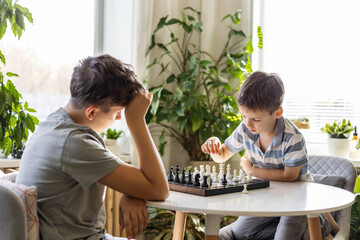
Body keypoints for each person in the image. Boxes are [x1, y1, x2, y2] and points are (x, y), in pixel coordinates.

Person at [16, 54, 169, 240]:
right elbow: (159, 190)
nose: (120, 118)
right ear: (92, 112)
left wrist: (132, 192)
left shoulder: (53, 125)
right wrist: (137, 121)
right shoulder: (74, 143)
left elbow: (139, 181)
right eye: (118, 112)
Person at [201, 71, 335, 240]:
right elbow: (222, 155)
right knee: (241, 233)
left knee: (284, 236)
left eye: (256, 119)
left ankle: (320, 223)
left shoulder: (292, 137)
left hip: (297, 201)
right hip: (266, 198)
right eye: (243, 116)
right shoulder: (245, 129)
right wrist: (213, 144)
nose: (247, 123)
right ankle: (290, 230)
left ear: (277, 113)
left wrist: (251, 170)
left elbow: (289, 176)